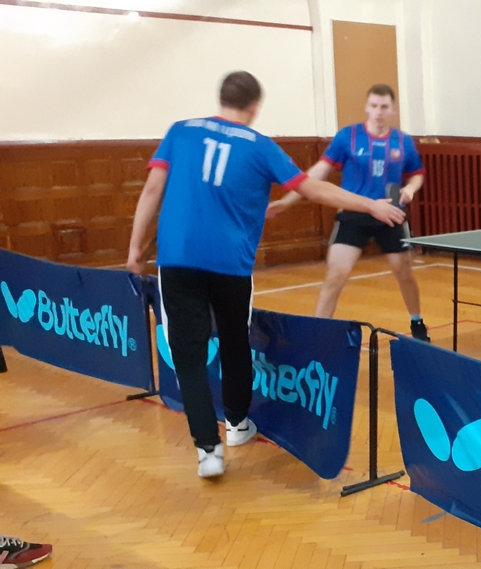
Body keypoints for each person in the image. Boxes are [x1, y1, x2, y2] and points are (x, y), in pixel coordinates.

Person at [126, 71, 406, 478]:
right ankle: (237, 424)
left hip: (177, 260)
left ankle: (208, 451)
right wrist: (371, 205)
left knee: (188, 355)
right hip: (231, 264)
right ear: (255, 106)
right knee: (235, 343)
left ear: (221, 98)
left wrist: (135, 248)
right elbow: (313, 189)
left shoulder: (180, 132)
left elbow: (152, 190)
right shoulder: (260, 146)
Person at [266, 84, 429, 342]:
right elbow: (318, 173)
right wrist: (287, 201)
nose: (378, 111)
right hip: (354, 213)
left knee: (404, 273)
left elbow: (417, 174)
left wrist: (409, 189)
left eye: (384, 107)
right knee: (336, 274)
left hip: (391, 213)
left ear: (393, 110)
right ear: (367, 107)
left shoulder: (403, 141)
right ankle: (318, 332)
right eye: (374, 106)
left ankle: (417, 322)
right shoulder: (348, 137)